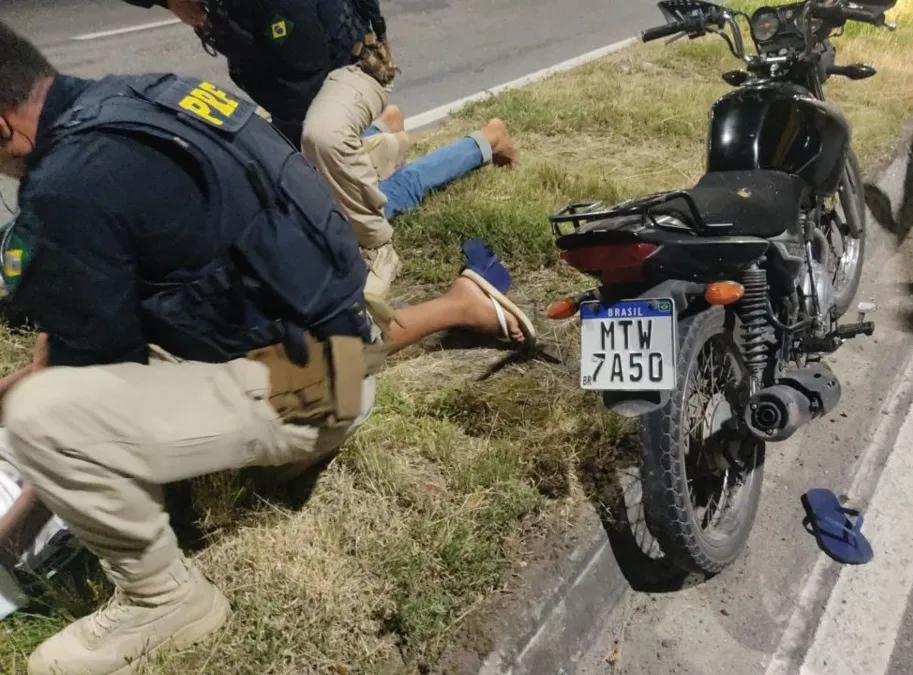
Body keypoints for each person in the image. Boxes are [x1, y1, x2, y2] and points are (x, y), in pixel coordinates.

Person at [0, 21, 533, 675]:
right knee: (51, 378)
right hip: (341, 326)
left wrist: (16, 525)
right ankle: (452, 307)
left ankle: (163, 600)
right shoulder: (143, 96)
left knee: (39, 418)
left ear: (3, 127)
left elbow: (86, 392)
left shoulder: (66, 190)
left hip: (317, 388)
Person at [123, 0, 519, 297]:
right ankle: (378, 139)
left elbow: (303, 92)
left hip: (350, 69)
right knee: (299, 179)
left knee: (335, 200)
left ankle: (483, 142)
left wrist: (302, 179)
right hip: (298, 96)